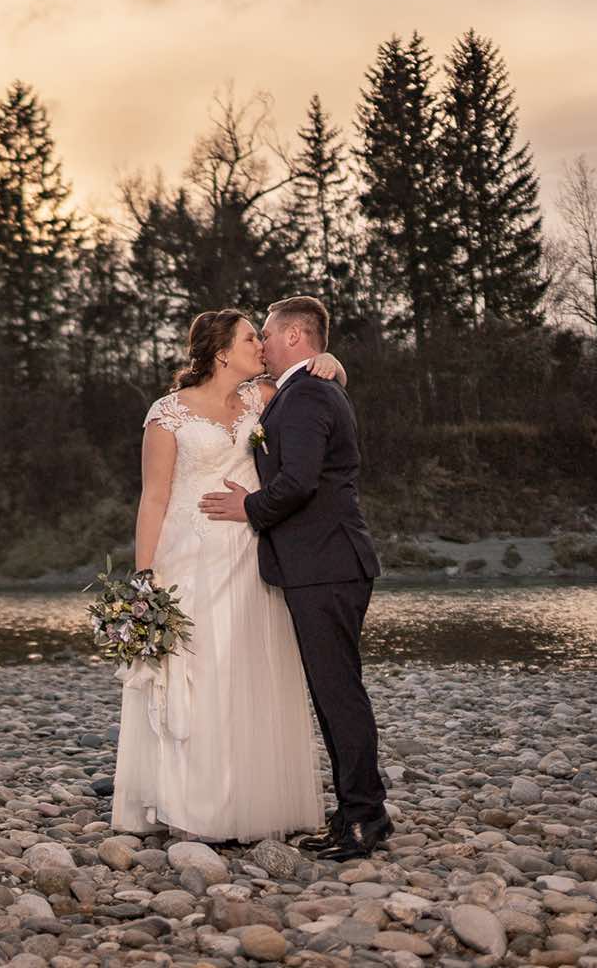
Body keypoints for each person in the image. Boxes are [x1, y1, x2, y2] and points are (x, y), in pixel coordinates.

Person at [109, 307, 344, 844]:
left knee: (249, 670)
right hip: (189, 555)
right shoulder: (168, 413)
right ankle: (191, 803)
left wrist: (329, 358)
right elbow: (154, 497)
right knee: (200, 671)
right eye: (248, 338)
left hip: (249, 553)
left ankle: (249, 802)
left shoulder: (260, 399)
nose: (260, 346)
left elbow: (316, 377)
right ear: (221, 352)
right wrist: (144, 577)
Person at [198, 295, 388, 860]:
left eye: (268, 336)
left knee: (339, 694)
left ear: (296, 338)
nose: (263, 345)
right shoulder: (305, 390)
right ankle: (355, 812)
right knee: (334, 693)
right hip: (323, 565)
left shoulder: (306, 393)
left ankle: (364, 818)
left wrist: (249, 509)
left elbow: (301, 480)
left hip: (327, 565)